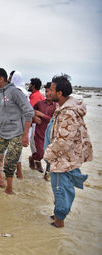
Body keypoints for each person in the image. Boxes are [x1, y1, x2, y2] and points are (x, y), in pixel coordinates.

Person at [44, 74, 93, 228]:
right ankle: (58, 214)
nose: (48, 92)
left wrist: (48, 154)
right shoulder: (62, 108)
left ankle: (59, 221)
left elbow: (63, 142)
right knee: (62, 188)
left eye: (51, 90)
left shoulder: (68, 113)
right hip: (65, 157)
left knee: (60, 190)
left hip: (63, 159)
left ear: (60, 93)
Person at [30, 82, 56, 173]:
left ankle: (47, 174)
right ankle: (33, 158)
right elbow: (30, 111)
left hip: (51, 135)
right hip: (39, 134)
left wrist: (42, 115)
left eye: (49, 91)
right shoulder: (39, 104)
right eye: (46, 91)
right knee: (41, 154)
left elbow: (55, 121)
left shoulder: (56, 106)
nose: (47, 93)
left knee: (50, 157)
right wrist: (34, 117)